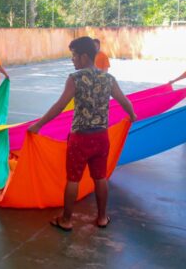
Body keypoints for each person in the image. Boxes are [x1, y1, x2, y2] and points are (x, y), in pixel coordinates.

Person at [28, 37, 137, 231]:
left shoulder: (75, 78)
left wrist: (38, 125)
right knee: (100, 177)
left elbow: (60, 106)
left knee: (73, 179)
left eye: (74, 56)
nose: (72, 60)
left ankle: (67, 220)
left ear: (84, 56)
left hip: (80, 138)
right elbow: (124, 101)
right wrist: (132, 115)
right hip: (101, 137)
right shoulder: (108, 78)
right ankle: (102, 217)